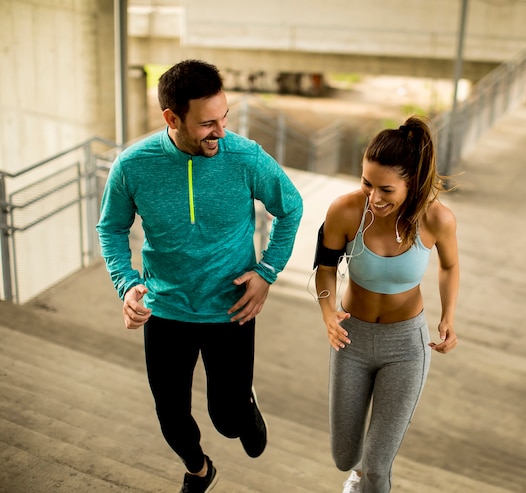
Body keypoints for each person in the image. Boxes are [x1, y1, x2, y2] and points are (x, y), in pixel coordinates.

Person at [96, 59, 303, 493]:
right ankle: (198, 469)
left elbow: (291, 207)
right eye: (208, 123)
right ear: (172, 118)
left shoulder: (245, 158)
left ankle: (243, 406)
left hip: (230, 308)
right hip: (166, 307)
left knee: (227, 420)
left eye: (224, 117)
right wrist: (127, 283)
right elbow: (112, 227)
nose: (221, 131)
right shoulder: (134, 165)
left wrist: (267, 271)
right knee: (171, 416)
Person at [314, 116, 459, 493]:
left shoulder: (436, 219)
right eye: (367, 183)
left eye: (386, 189)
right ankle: (355, 472)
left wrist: (448, 316)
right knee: (344, 456)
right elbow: (325, 269)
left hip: (406, 347)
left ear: (411, 184)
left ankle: (367, 479)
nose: (374, 197)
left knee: (378, 466)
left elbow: (449, 264)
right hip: (351, 340)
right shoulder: (345, 211)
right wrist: (329, 312)